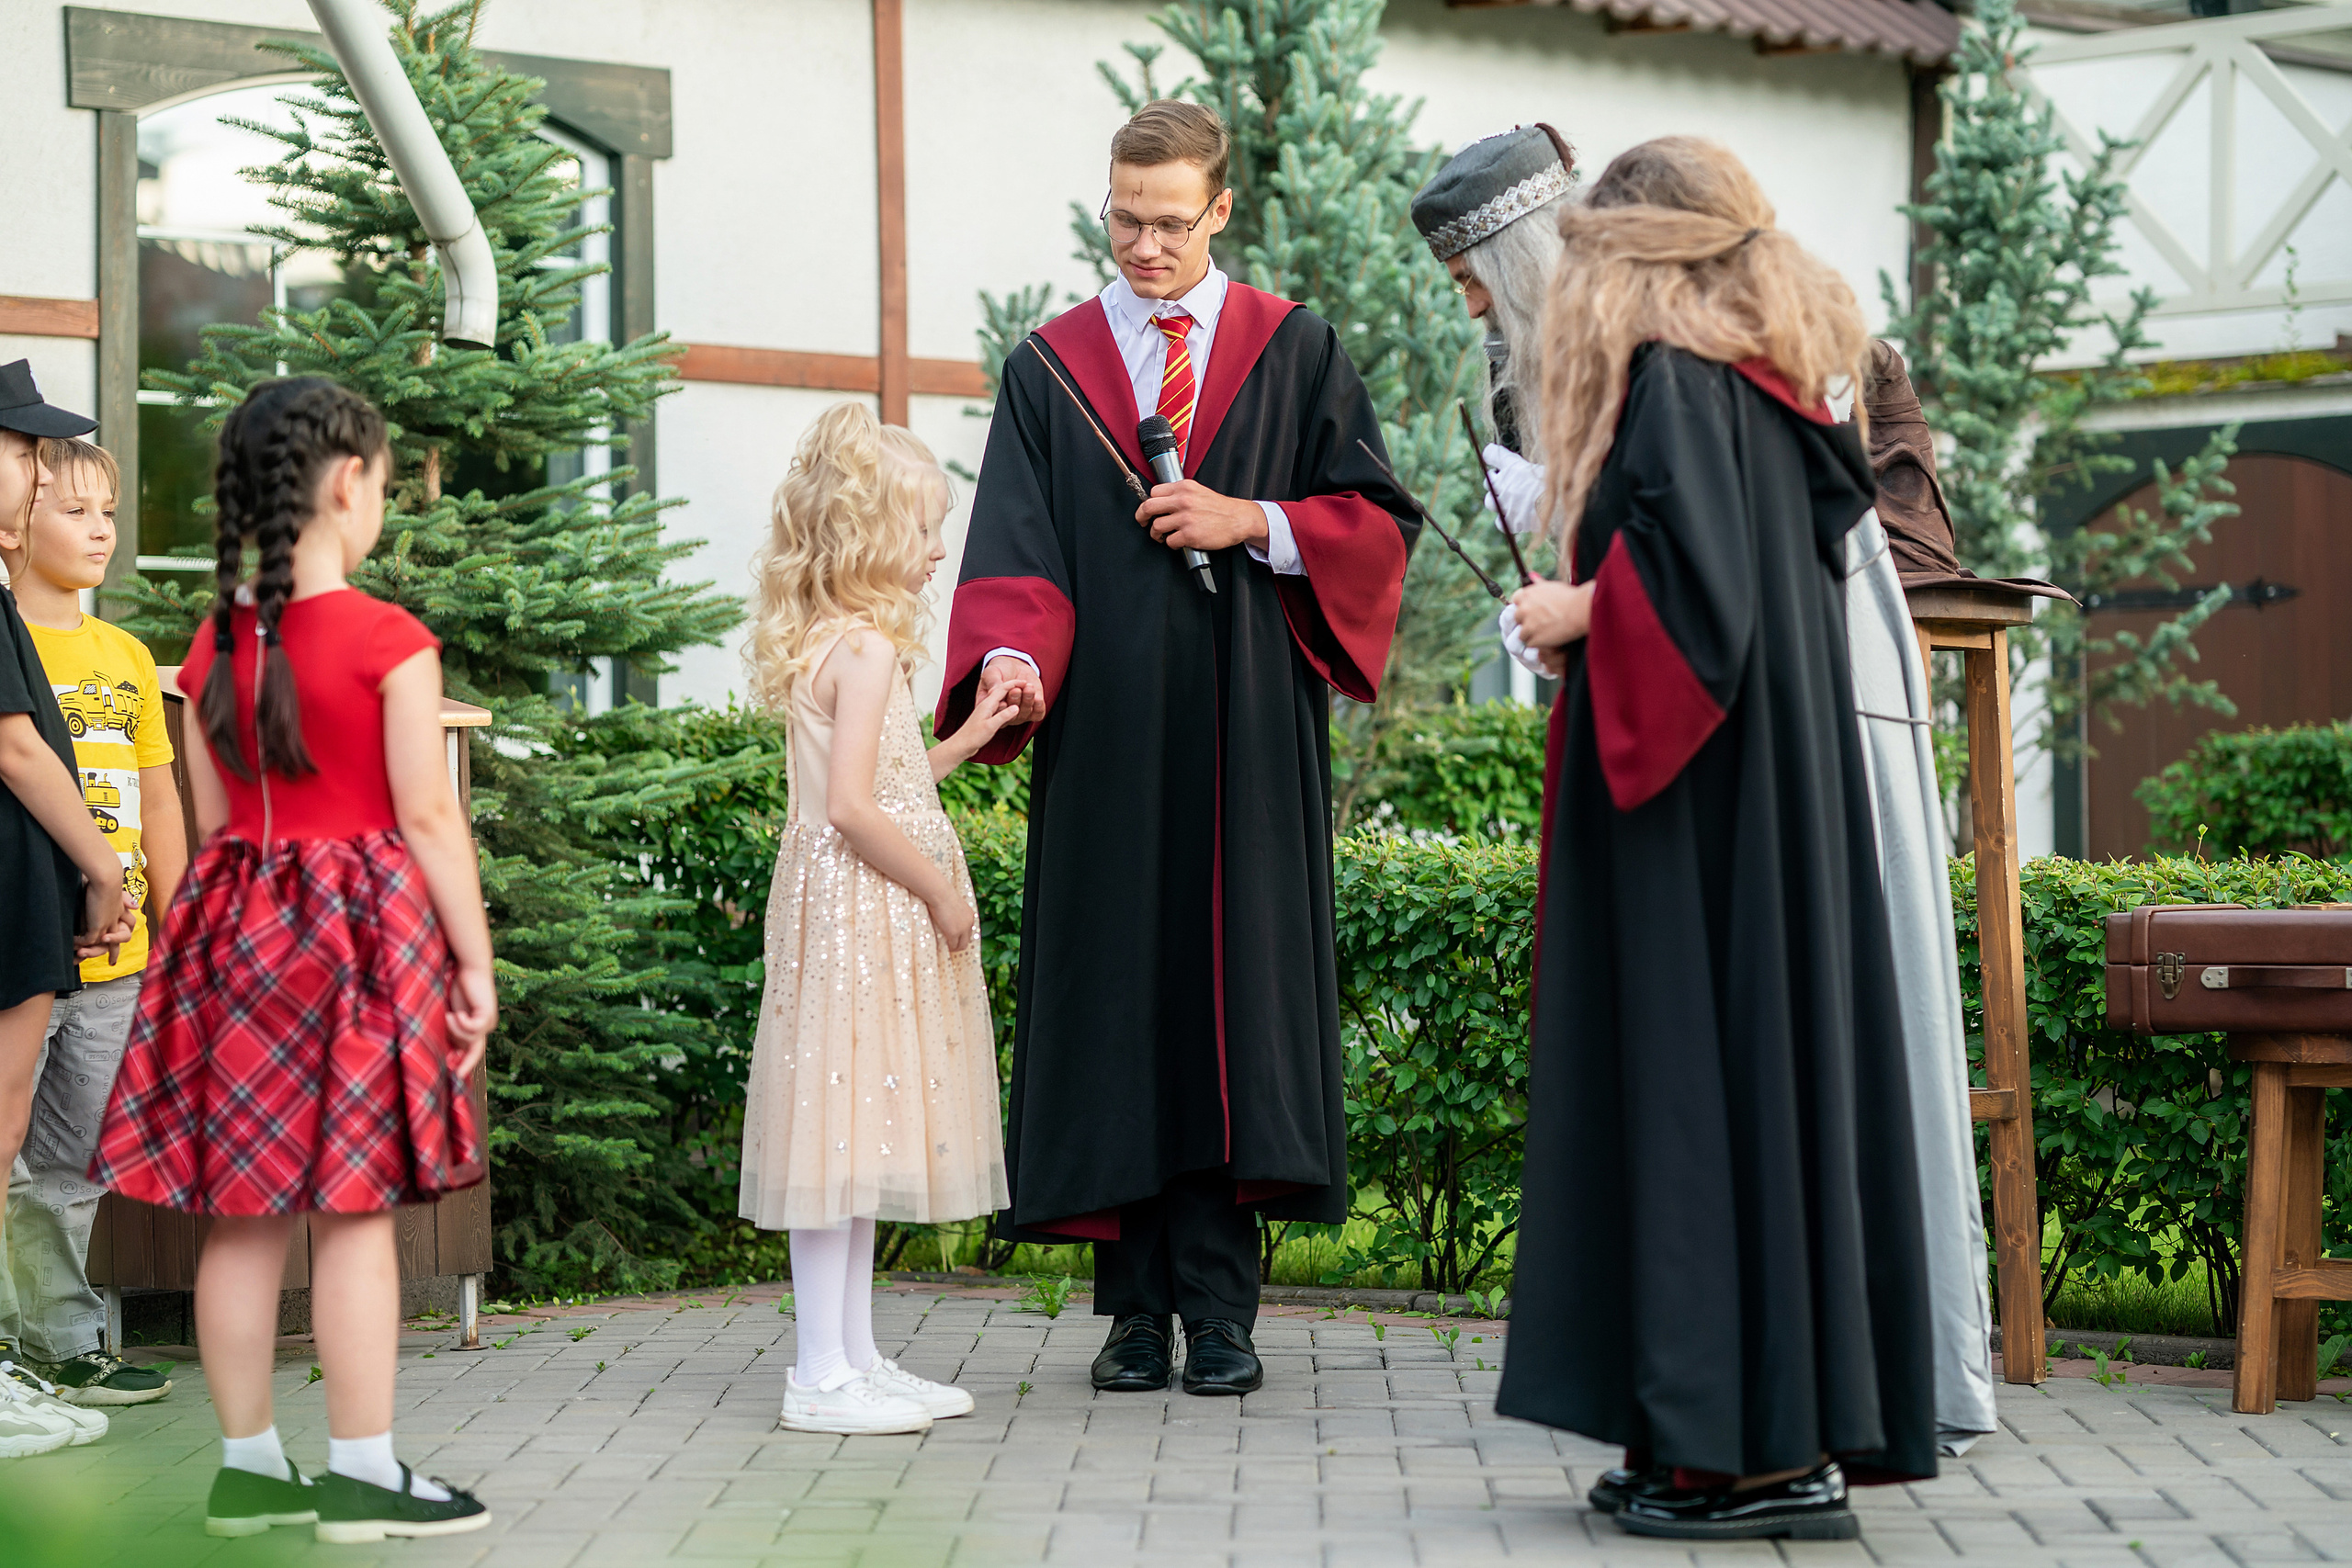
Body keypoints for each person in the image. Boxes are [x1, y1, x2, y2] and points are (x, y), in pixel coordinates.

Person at [1416, 128, 1998, 1458]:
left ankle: (1740, 1446)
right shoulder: (1763, 377)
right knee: (1782, 1093)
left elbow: (1701, 602)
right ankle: (1773, 1424)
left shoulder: (1682, 385)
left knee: (1709, 1094)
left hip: (1707, 801)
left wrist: (1579, 605)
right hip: (1775, 785)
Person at [938, 100, 1417, 1397]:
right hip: (1103, 744)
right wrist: (1012, 662)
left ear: (1219, 210)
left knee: (1233, 1009)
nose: (1143, 245)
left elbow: (1373, 520)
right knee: (1120, 1010)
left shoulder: (1294, 350)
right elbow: (1015, 554)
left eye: (1168, 221)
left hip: (1250, 735)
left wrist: (1247, 515)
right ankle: (1132, 1314)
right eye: (1123, 218)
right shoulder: (1053, 369)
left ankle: (1226, 1310)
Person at [90, 377, 494, 1543]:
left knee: (244, 1216)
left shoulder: (213, 642)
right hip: (360, 935)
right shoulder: (388, 639)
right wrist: (473, 962)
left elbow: (214, 819)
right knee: (356, 1215)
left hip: (233, 928)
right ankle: (364, 1475)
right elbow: (427, 817)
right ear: (345, 482)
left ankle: (250, 1471)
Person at [737, 402, 1017, 1436]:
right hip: (867, 912)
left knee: (848, 1139)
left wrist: (968, 737)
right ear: (870, 536)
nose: (941, 547)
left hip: (848, 910)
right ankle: (818, 1375)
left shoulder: (837, 641)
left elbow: (880, 783)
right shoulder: (861, 651)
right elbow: (854, 812)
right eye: (926, 528)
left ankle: (852, 1354)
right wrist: (944, 891)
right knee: (832, 1144)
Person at [0, 436, 182, 1411]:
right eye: (74, 509)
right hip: (27, 938)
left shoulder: (126, 655)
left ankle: (59, 1344)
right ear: (18, 517)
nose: (100, 527)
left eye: (108, 508)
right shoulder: (7, 643)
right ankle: (44, 1340)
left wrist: (178, 920)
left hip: (121, 954)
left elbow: (159, 800)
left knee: (70, 1158)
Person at [0, 361, 133, 1460]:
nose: (34, 477)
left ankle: (39, 1347)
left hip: (73, 932)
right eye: (29, 461)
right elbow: (15, 749)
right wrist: (101, 869)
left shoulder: (122, 653)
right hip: (26, 916)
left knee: (53, 1156)